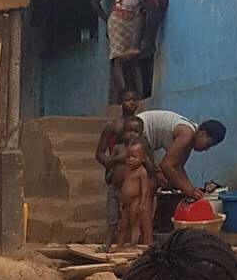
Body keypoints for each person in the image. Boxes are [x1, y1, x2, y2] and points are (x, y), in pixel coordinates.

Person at [140, 109, 227, 226]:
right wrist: (188, 191)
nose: (206, 149)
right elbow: (166, 165)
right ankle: (146, 232)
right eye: (208, 144)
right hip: (138, 131)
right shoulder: (187, 134)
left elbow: (178, 167)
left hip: (146, 141)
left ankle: (148, 228)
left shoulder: (190, 139)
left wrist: (192, 190)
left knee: (166, 183)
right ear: (202, 133)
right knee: (150, 185)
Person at [91, 0, 144, 103]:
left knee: (134, 58)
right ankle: (124, 94)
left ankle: (139, 95)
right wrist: (107, 20)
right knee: (118, 59)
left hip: (135, 21)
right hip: (118, 21)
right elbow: (95, 1)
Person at [95, 104, 144, 242]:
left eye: (135, 132)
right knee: (112, 218)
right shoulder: (118, 148)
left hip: (129, 190)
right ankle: (108, 243)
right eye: (129, 131)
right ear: (123, 132)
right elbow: (108, 162)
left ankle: (126, 244)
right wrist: (117, 160)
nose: (132, 134)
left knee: (127, 220)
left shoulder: (140, 151)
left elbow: (147, 166)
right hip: (115, 187)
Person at [111, 138, 155, 249]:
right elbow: (125, 184)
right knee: (123, 224)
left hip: (136, 201)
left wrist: (142, 204)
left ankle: (133, 244)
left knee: (134, 224)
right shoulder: (127, 169)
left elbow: (144, 189)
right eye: (128, 157)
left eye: (134, 157)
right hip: (126, 203)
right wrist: (121, 200)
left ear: (142, 158)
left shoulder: (142, 172)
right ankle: (119, 245)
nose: (130, 160)